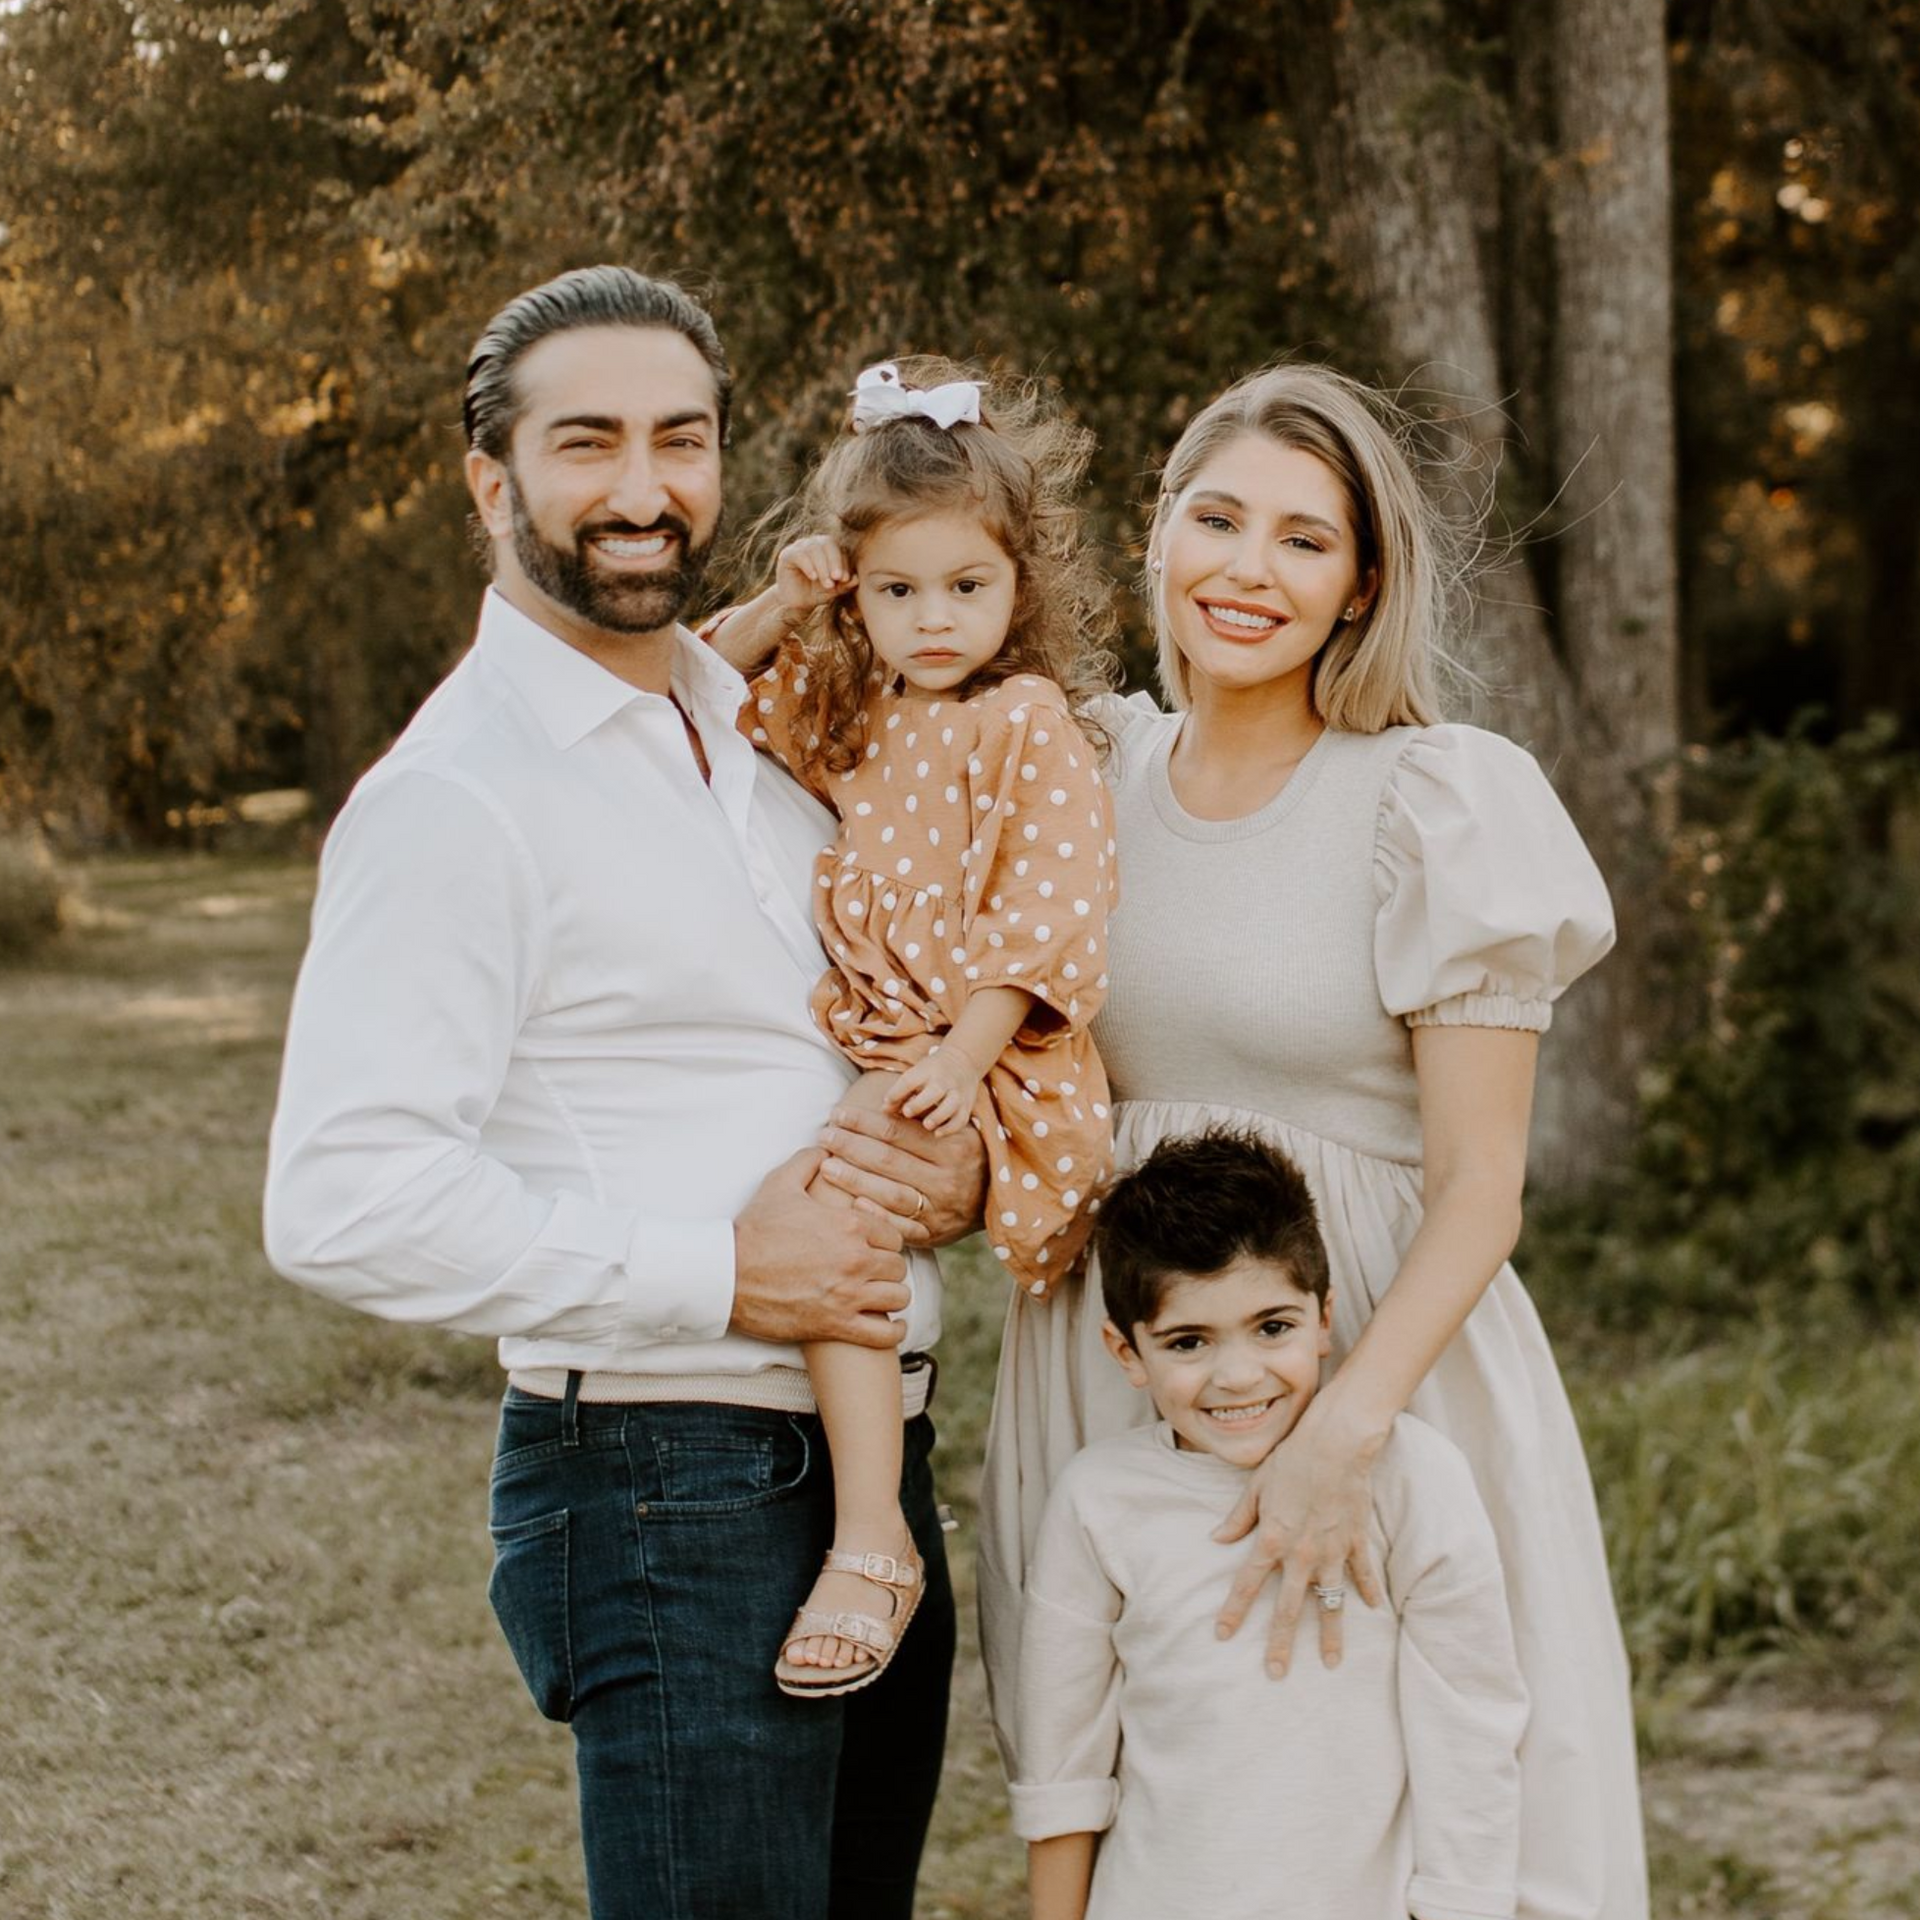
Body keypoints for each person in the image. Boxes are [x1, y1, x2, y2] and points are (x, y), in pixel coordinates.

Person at [263, 266, 987, 1920]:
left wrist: (949, 1181)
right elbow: (344, 1197)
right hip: (670, 1482)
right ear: (489, 480)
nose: (645, 488)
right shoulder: (458, 796)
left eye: (683, 439)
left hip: (873, 1464)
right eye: (587, 442)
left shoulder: (751, 729)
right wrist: (726, 1275)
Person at [977, 362, 1650, 1920]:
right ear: (1158, 533)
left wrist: (1347, 1434)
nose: (1248, 568)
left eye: (1303, 539)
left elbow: (1479, 1189)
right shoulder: (1077, 767)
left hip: (1366, 1363)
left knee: (1416, 1796)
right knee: (1153, 1797)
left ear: (1360, 587)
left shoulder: (1431, 801)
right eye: (1217, 519)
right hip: (1118, 1353)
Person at [701, 358, 1119, 1695]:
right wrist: (785, 599)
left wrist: (958, 1058)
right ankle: (866, 1515)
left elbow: (1044, 913)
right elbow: (698, 691)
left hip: (990, 1059)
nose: (933, 619)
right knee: (821, 1218)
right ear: (857, 592)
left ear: (1020, 585)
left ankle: (874, 1535)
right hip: (898, 1048)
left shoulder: (1023, 722)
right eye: (895, 591)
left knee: (823, 1216)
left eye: (965, 587)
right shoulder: (856, 717)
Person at [1014, 1125, 1528, 1920]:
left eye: (1273, 1327)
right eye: (1188, 1341)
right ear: (1126, 1352)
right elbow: (1061, 1767)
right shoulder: (1099, 1501)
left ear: (1325, 1319)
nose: (1237, 1375)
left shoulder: (1413, 1480)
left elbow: (1471, 1736)